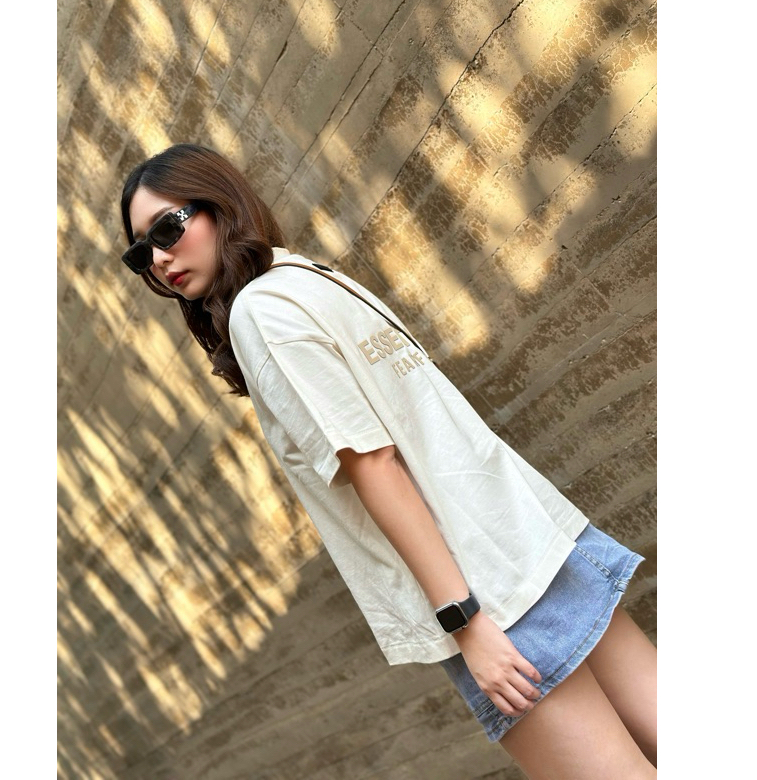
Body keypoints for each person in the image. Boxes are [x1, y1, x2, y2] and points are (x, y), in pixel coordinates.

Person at [120, 143, 657, 779]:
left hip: (491, 600)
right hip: (536, 543)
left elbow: (373, 463)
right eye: (141, 252)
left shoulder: (260, 313)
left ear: (220, 205)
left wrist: (464, 623)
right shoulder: (312, 278)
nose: (159, 258)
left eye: (168, 229)